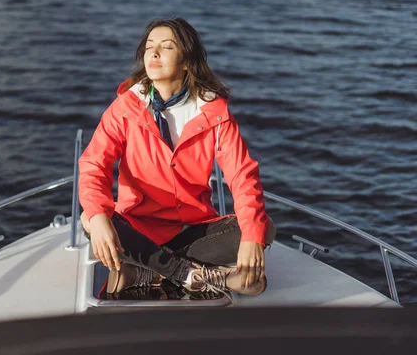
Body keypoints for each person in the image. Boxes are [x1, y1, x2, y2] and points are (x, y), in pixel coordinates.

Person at [78, 18, 276, 299]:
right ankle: (190, 274)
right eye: (149, 47)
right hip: (137, 229)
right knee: (90, 216)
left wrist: (252, 239)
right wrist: (99, 218)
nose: (154, 54)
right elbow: (93, 165)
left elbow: (242, 175)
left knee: (263, 228)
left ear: (186, 61)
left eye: (166, 47)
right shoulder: (125, 108)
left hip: (191, 232)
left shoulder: (213, 113)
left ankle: (149, 269)